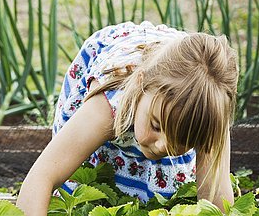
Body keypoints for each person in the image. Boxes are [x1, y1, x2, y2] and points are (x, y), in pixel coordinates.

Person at [17, 21, 237, 215]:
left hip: (188, 79)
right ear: (141, 85)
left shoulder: (208, 113)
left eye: (183, 140)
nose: (163, 145)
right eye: (156, 126)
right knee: (85, 180)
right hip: (122, 78)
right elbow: (42, 177)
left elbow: (215, 201)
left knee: (167, 189)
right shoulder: (106, 106)